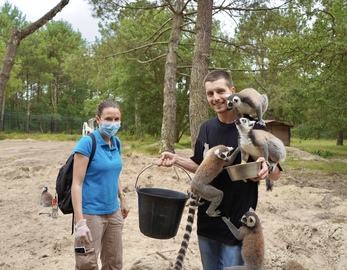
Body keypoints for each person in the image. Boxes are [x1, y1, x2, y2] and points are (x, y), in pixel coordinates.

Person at [157, 70, 281, 270]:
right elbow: (201, 167)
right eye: (210, 93)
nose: (215, 98)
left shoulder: (254, 127)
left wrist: (267, 167)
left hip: (239, 225)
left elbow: (277, 172)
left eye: (220, 91)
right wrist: (176, 159)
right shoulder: (206, 128)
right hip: (207, 222)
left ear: (232, 92)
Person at [71, 99, 130, 270]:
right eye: (108, 119)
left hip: (113, 213)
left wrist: (122, 198)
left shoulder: (116, 142)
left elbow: (115, 173)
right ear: (98, 120)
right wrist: (80, 221)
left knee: (114, 263)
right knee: (87, 264)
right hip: (91, 214)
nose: (113, 123)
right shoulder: (87, 143)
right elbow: (76, 184)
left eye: (116, 119)